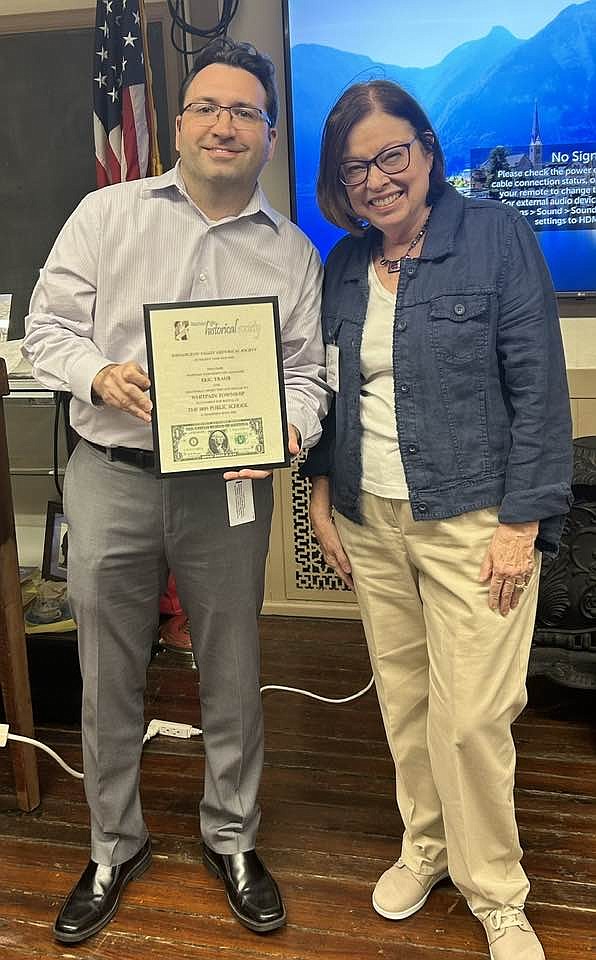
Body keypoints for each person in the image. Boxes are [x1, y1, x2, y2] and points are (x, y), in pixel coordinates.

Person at [23, 38, 328, 943]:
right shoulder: (105, 214)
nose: (224, 124)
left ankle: (231, 837)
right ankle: (114, 844)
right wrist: (99, 375)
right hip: (111, 476)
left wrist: (288, 429)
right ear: (180, 121)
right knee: (105, 671)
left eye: (245, 111)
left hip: (224, 494)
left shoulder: (293, 253)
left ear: (269, 135)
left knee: (232, 672)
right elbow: (46, 328)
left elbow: (309, 377)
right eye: (208, 107)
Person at [303, 80, 572, 960]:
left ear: (425, 151)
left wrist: (522, 522)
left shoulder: (495, 236)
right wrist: (318, 488)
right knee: (409, 701)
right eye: (356, 167)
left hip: (475, 519)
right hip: (371, 517)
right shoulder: (344, 264)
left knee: (473, 718)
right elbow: (331, 391)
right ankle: (425, 846)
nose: (378, 179)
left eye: (392, 155)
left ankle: (496, 891)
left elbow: (539, 391)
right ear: (338, 182)